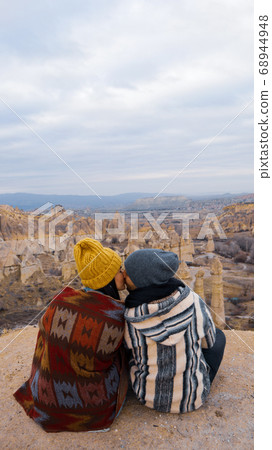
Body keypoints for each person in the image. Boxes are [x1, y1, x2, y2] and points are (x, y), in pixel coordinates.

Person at [14, 238, 128, 432]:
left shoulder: (61, 300)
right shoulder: (115, 315)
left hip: (45, 402)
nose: (123, 274)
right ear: (107, 278)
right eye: (119, 270)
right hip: (93, 410)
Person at [123, 248, 226, 414]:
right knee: (219, 337)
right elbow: (210, 342)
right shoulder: (192, 300)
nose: (122, 276)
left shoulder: (130, 316)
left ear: (140, 280)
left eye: (126, 274)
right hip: (194, 397)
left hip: (148, 397)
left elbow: (131, 353)